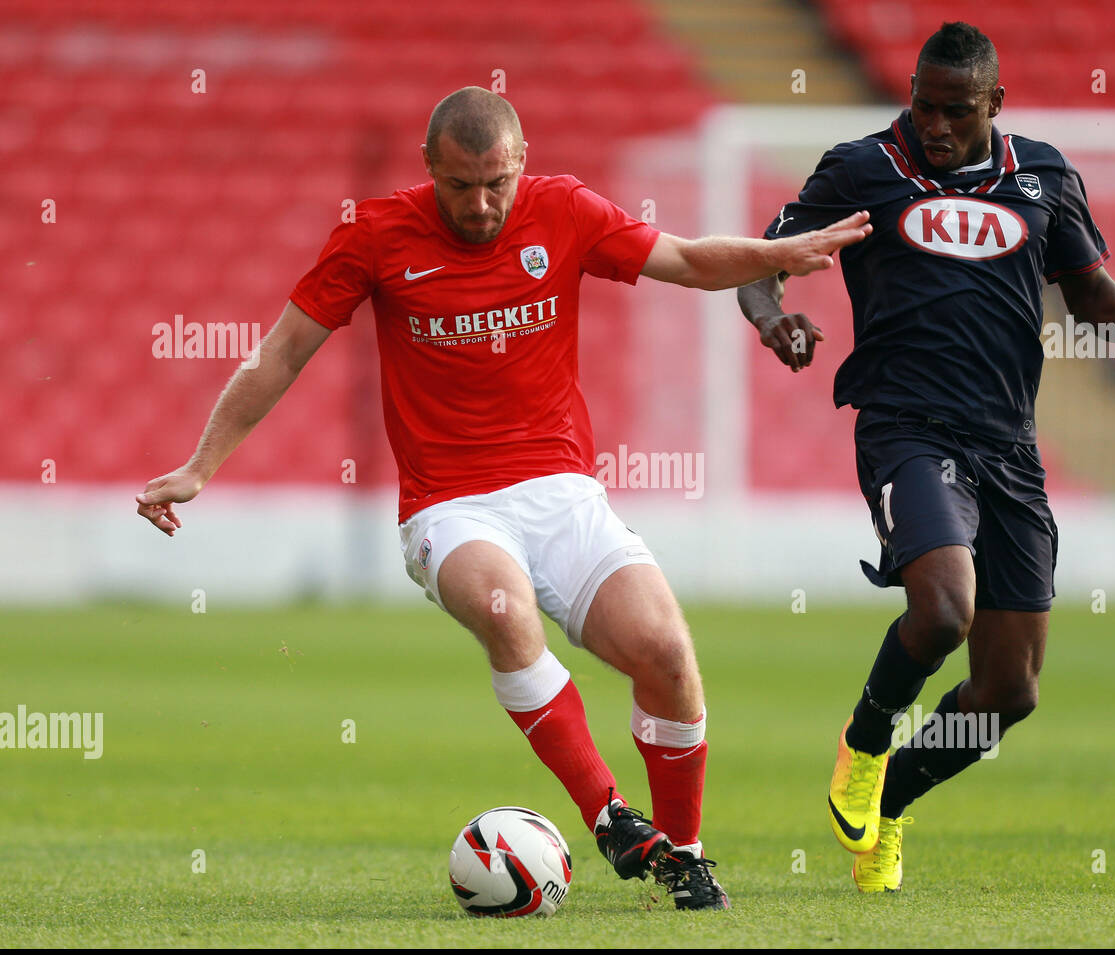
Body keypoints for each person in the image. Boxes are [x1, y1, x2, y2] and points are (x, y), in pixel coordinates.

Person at [136, 86, 867, 910]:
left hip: (562, 491)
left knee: (665, 651)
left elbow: (691, 260)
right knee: (504, 609)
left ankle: (683, 856)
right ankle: (608, 814)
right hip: (450, 505)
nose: (481, 205)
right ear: (428, 169)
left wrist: (783, 252)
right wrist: (200, 465)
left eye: (497, 184)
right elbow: (277, 355)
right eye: (460, 186)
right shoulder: (374, 234)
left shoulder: (564, 210)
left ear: (522, 164)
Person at [737, 23, 1115, 893]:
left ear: (996, 103)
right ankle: (866, 741)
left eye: (957, 111)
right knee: (945, 610)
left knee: (1008, 691)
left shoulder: (1046, 175)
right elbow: (760, 267)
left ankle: (894, 802)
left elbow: (1089, 291)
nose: (938, 125)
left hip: (1008, 447)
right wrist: (774, 320)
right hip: (907, 427)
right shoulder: (862, 167)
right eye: (924, 104)